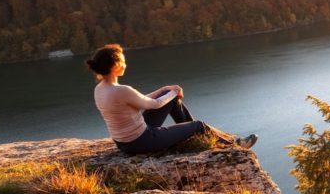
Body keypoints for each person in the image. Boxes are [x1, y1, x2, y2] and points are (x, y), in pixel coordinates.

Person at [86, 43, 257, 155]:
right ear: (116, 66)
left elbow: (141, 100)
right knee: (199, 125)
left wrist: (165, 90)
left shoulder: (100, 89)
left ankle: (195, 135)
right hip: (141, 141)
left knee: (171, 99)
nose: (125, 64)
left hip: (123, 142)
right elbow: (154, 104)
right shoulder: (122, 90)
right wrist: (174, 92)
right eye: (123, 61)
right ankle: (235, 144)